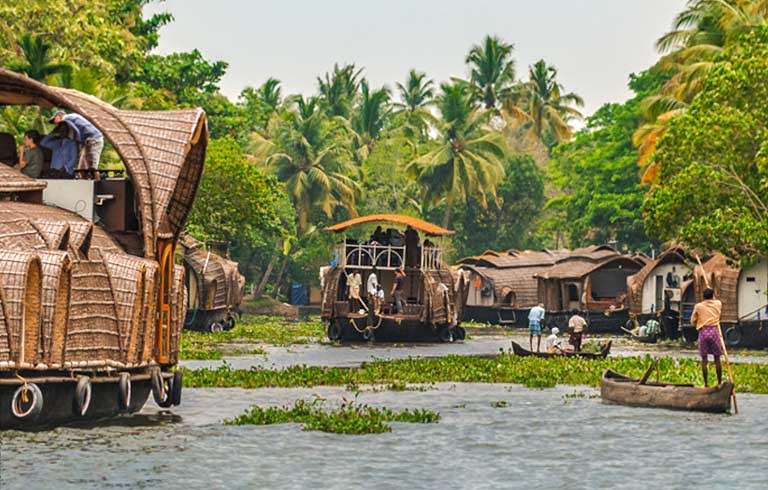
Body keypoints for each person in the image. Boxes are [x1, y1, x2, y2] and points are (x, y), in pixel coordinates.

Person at [49, 110, 103, 180]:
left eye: (54, 121)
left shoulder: (66, 119)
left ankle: (98, 185)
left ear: (59, 116)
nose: (55, 124)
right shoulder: (72, 117)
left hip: (93, 139)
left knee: (92, 168)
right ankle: (84, 187)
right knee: (82, 169)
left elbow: (71, 138)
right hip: (87, 142)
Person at [690, 287, 723, 387]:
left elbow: (692, 321)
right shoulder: (718, 303)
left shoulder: (698, 306)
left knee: (704, 360)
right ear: (712, 296)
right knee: (717, 359)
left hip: (703, 332)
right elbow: (716, 302)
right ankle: (719, 382)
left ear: (703, 296)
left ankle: (706, 384)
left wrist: (698, 322)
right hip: (714, 331)